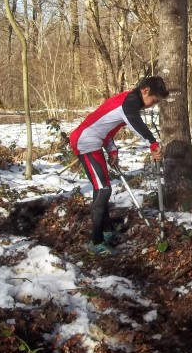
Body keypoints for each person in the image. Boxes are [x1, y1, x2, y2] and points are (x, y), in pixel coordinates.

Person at [69, 76, 169, 256]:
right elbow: (136, 124)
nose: (153, 105)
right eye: (154, 101)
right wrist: (153, 143)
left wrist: (112, 151)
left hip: (95, 141)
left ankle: (106, 230)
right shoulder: (129, 103)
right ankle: (96, 242)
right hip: (85, 142)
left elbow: (106, 127)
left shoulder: (127, 101)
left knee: (102, 188)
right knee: (103, 189)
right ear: (145, 90)